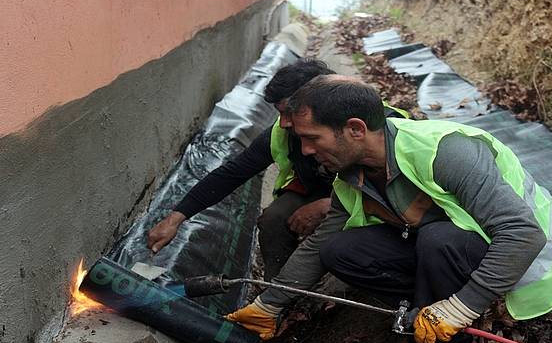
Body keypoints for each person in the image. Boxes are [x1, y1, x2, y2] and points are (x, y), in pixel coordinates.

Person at [226, 75, 552, 343]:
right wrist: (269, 304)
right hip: (456, 250)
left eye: (312, 138)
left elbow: (525, 233)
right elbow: (321, 242)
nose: (304, 150)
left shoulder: (445, 151)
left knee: (438, 239)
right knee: (340, 251)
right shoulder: (352, 172)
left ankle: (459, 341)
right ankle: (426, 313)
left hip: (524, 260)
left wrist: (462, 306)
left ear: (355, 129)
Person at [147, 61, 409, 281]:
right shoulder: (283, 134)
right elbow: (232, 173)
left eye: (289, 112)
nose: (283, 123)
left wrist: (328, 205)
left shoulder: (382, 127)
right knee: (275, 218)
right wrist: (177, 217)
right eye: (279, 113)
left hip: (379, 205)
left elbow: (404, 195)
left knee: (337, 246)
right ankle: (282, 290)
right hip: (323, 193)